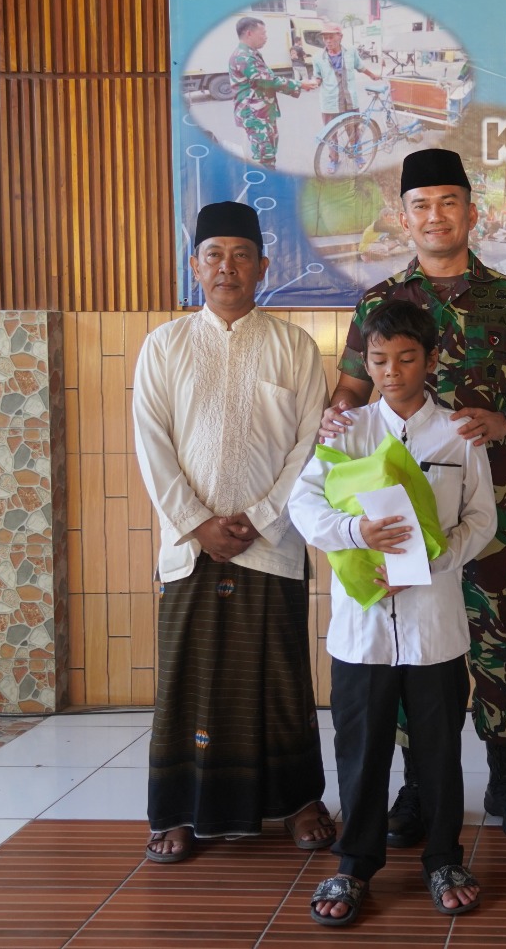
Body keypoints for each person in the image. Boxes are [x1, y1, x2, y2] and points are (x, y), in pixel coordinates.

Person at [321, 147, 506, 843]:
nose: (436, 216)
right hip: (399, 511)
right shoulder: (380, 303)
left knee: (498, 634)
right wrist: (335, 411)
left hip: (492, 509)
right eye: (422, 205)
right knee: (405, 637)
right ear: (405, 217)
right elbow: (352, 387)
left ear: (471, 211)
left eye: (448, 202)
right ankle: (416, 785)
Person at [131, 201, 332, 864]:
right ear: (195, 266)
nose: (227, 267)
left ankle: (301, 802)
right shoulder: (164, 345)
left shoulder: (294, 346)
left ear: (263, 267)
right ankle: (177, 813)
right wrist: (196, 523)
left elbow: (309, 447)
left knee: (280, 679)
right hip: (190, 548)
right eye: (214, 255)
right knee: (186, 681)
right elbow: (152, 445)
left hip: (271, 544)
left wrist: (265, 516)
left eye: (241, 255)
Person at [290, 300, 497, 927]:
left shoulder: (458, 435)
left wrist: (432, 561)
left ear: (431, 360)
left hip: (433, 621)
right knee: (361, 746)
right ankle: (355, 861)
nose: (391, 371)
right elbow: (303, 506)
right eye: (379, 359)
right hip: (362, 628)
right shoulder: (343, 432)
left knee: (438, 747)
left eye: (406, 358)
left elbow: (481, 519)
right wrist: (356, 532)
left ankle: (443, 858)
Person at [229, 17, 317, 170]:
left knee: (269, 153)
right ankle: (264, 190)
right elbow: (267, 81)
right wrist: (301, 84)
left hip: (261, 113)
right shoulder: (244, 56)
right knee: (265, 158)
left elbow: (267, 79)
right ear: (249, 33)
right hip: (255, 116)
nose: (266, 37)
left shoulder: (251, 53)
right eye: (263, 33)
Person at [312, 22, 383, 171]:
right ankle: (334, 159)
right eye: (325, 38)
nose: (328, 41)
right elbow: (317, 77)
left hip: (350, 101)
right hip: (329, 102)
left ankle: (358, 156)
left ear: (340, 37)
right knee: (331, 135)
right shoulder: (318, 57)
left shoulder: (351, 51)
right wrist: (313, 83)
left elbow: (360, 66)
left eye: (331, 37)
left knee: (354, 131)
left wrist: (373, 76)